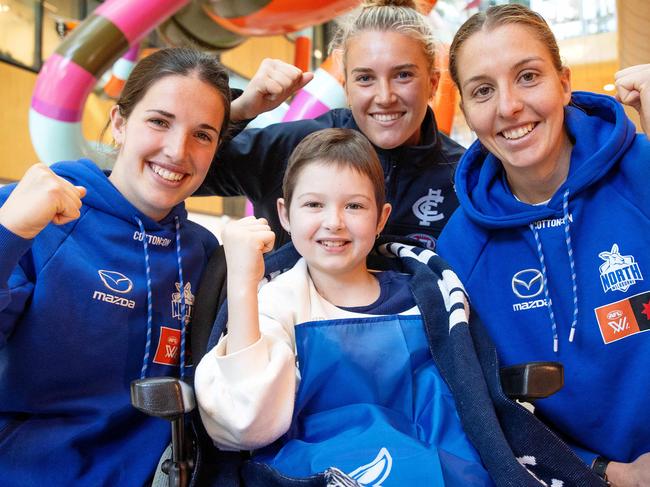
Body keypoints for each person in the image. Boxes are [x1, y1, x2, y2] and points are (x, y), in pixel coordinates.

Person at [194, 128, 603, 486]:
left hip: (445, 463)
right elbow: (245, 424)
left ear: (380, 217)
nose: (334, 222)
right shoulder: (277, 302)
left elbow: (469, 403)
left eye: (354, 206)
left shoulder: (427, 299)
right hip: (320, 470)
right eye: (314, 205)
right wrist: (243, 286)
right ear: (285, 214)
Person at [436, 5, 650, 486]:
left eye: (527, 76)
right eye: (483, 91)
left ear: (564, 83)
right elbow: (488, 411)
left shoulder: (640, 171)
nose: (509, 106)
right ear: (467, 111)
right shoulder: (461, 252)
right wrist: (609, 472)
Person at [0, 48, 230, 485]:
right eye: (159, 121)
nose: (177, 150)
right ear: (120, 123)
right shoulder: (32, 213)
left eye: (202, 134)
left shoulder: (204, 253)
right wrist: (8, 233)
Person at [199, 0, 463, 251]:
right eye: (365, 78)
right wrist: (239, 111)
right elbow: (182, 172)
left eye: (403, 75)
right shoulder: (297, 147)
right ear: (346, 86)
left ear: (433, 83)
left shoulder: (463, 176)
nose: (384, 97)